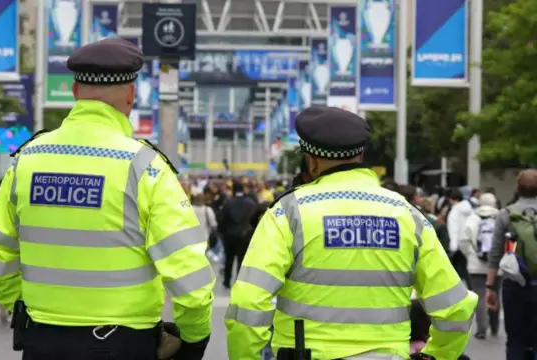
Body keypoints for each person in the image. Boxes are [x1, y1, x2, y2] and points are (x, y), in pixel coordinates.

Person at [0, 37, 214, 360]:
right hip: (122, 344)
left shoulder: (27, 161)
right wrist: (193, 339)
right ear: (131, 96)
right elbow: (191, 278)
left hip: (42, 342)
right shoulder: (145, 168)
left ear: (75, 92)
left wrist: (30, 308)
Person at [225, 106, 478, 360]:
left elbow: (248, 302)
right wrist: (435, 355)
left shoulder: (289, 212)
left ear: (311, 161)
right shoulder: (406, 214)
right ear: (361, 155)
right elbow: (456, 307)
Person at [486, 169, 537, 360]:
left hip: (514, 285)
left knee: (515, 339)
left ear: (518, 187)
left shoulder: (505, 215)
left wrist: (490, 287)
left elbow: (496, 254)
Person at [459, 192, 500, 339]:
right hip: (496, 266)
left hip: (476, 265)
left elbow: (463, 241)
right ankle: (495, 326)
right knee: (495, 293)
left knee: (480, 296)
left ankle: (482, 329)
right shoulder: (500, 218)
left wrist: (471, 254)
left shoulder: (473, 218)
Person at [219, 181, 257, 289]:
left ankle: (227, 281)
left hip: (229, 235)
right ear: (243, 189)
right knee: (242, 259)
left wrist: (223, 232)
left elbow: (221, 220)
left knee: (229, 259)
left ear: (233, 190)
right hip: (245, 236)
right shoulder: (251, 203)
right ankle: (239, 281)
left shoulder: (228, 203)